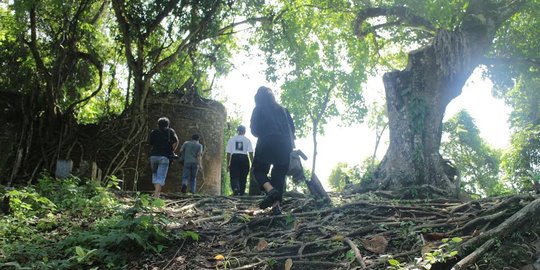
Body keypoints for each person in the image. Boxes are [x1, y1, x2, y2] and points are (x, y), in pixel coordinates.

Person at [250, 86, 295, 215]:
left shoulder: (258, 109)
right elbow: (292, 129)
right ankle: (276, 206)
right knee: (279, 175)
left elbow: (254, 131)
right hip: (285, 145)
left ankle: (270, 190)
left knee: (258, 170)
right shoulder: (284, 110)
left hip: (266, 143)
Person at [149, 117, 178, 198]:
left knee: (155, 174)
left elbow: (151, 143)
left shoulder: (154, 132)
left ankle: (156, 193)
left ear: (158, 124)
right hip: (164, 157)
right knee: (160, 176)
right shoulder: (170, 131)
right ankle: (156, 196)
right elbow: (176, 141)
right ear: (167, 124)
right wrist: (172, 150)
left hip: (153, 156)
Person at [225, 125, 254, 196]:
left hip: (234, 158)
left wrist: (228, 164)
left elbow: (228, 153)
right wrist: (253, 164)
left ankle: (235, 188)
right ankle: (241, 193)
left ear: (237, 131)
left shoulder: (231, 139)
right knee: (243, 176)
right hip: (244, 158)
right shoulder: (247, 140)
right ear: (244, 131)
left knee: (234, 175)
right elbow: (250, 153)